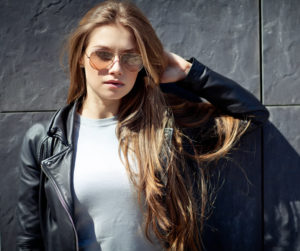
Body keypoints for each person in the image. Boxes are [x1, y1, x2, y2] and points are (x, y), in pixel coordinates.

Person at [16, 0, 269, 250]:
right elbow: (29, 240)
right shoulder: (44, 141)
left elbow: (253, 114)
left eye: (131, 58)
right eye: (103, 55)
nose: (116, 68)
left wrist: (189, 71)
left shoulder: (163, 128)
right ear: (82, 57)